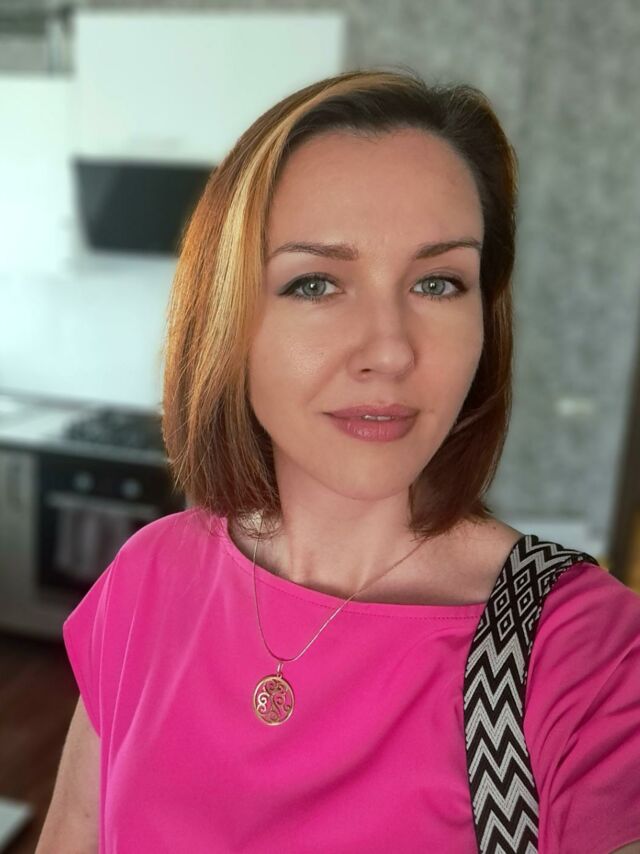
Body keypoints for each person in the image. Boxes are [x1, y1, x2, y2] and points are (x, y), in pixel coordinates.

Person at [38, 68, 640, 853]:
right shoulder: (148, 577)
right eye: (316, 283)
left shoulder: (584, 657)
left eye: (438, 282)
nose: (390, 351)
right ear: (227, 319)